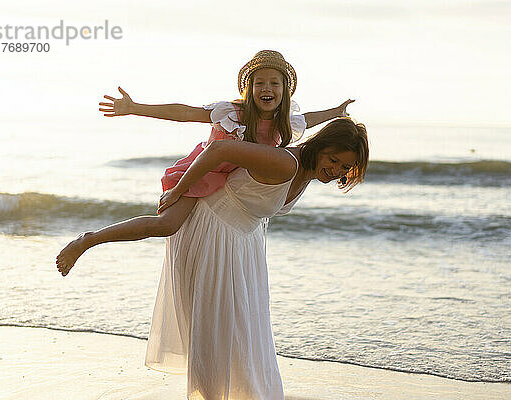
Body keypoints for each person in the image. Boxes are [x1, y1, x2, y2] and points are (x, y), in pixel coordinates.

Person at [56, 50, 354, 274]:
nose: (267, 88)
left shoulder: (284, 123)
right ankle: (88, 240)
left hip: (230, 188)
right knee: (164, 226)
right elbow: (184, 113)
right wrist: (135, 108)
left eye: (274, 83)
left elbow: (311, 119)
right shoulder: (232, 112)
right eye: (259, 82)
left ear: (285, 91)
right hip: (203, 173)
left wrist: (337, 112)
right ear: (247, 89)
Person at [145, 117, 369, 399]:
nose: (336, 170)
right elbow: (218, 151)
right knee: (218, 330)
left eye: (345, 167)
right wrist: (179, 189)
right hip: (212, 231)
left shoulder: (309, 171)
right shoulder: (287, 162)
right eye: (334, 160)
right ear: (321, 145)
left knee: (243, 332)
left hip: (242, 242)